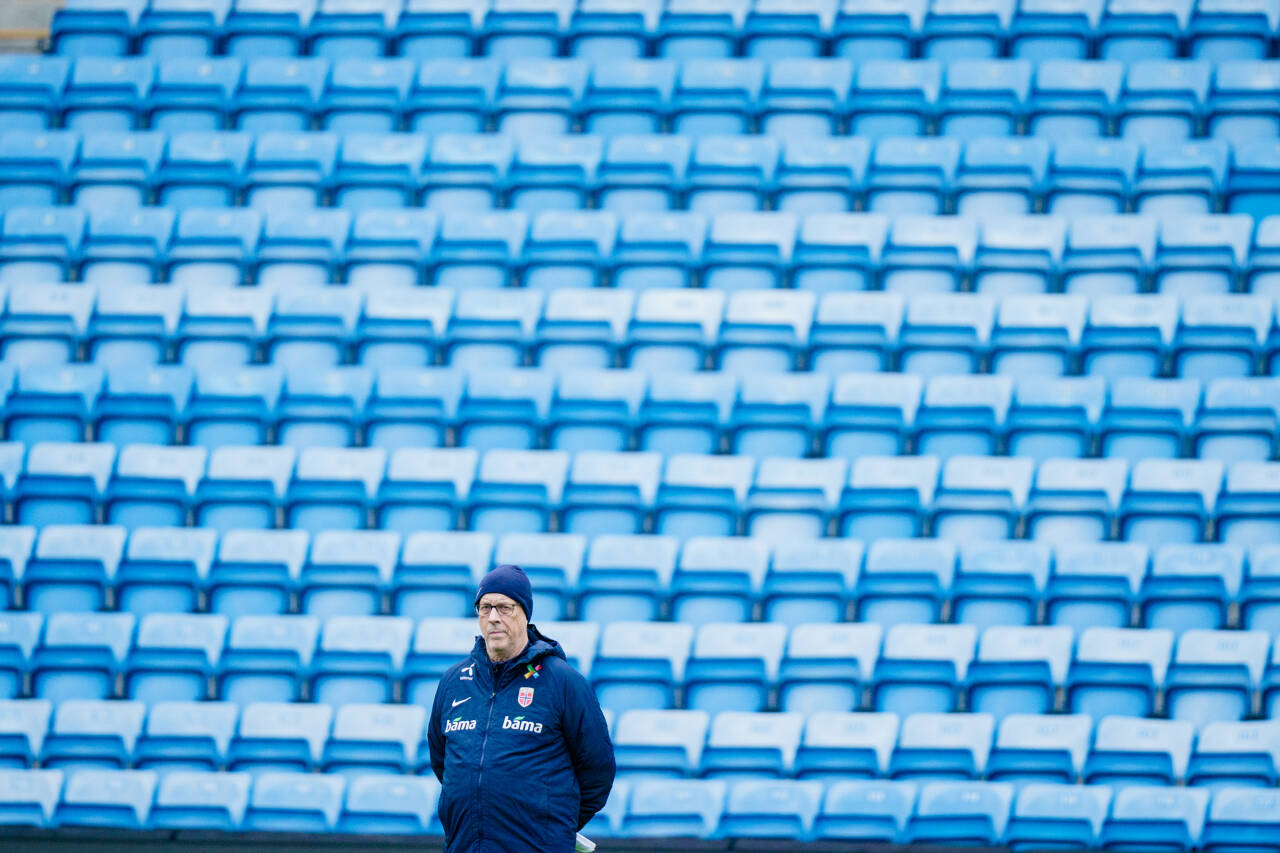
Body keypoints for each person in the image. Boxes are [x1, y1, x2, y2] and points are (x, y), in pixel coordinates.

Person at [428, 563, 616, 853]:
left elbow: (598, 771)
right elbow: (443, 762)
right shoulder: (454, 682)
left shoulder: (563, 682)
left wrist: (552, 825)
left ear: (525, 613)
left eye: (505, 607)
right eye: (485, 607)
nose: (493, 618)